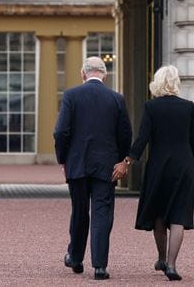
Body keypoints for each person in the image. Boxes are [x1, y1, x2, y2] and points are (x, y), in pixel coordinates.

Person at [112, 65, 194, 281]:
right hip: (184, 166)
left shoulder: (151, 107)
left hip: (159, 167)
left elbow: (142, 139)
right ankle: (171, 265)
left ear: (157, 82)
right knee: (179, 216)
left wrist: (127, 161)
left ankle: (162, 258)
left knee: (159, 216)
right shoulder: (188, 107)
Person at [54, 56, 132, 280]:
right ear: (105, 75)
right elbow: (125, 133)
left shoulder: (71, 95)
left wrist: (63, 158)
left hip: (77, 163)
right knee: (102, 213)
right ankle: (99, 266)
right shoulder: (116, 99)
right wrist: (121, 160)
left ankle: (76, 257)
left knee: (79, 211)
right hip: (107, 165)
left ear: (83, 73)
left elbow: (61, 132)